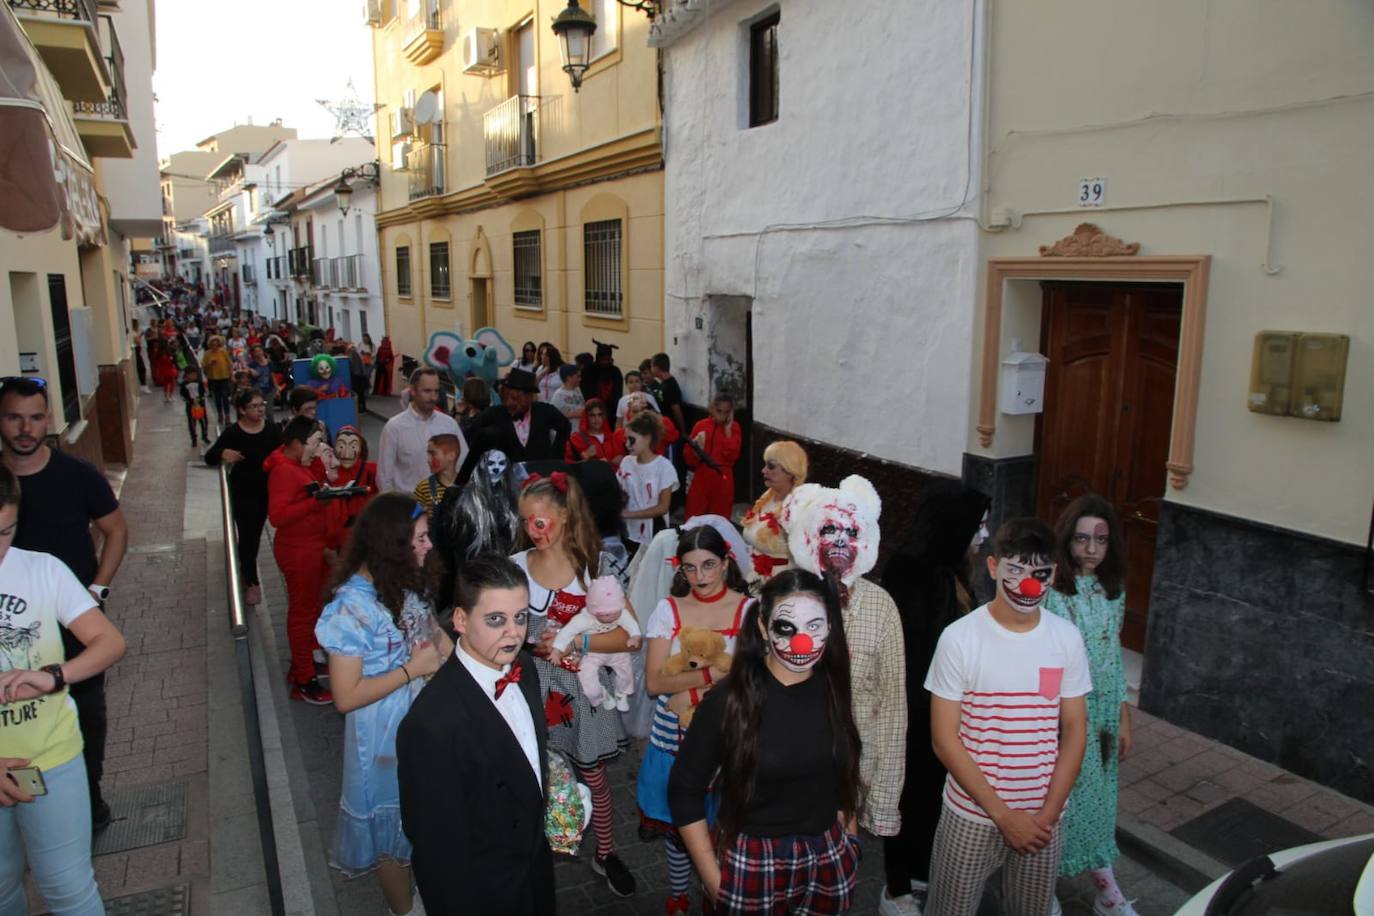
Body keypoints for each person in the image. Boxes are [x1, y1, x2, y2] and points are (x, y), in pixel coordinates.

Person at [669, 569, 865, 914]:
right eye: (785, 627)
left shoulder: (834, 688)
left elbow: (843, 774)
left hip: (827, 858)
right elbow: (684, 791)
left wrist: (849, 844)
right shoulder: (728, 700)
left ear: (831, 626)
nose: (802, 641)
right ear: (762, 627)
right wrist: (715, 880)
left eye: (814, 626)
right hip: (752, 861)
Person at [923, 518, 1091, 916]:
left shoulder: (1066, 638)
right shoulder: (959, 639)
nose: (1029, 584)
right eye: (1016, 569)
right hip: (971, 814)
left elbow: (1075, 730)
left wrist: (1047, 815)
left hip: (1042, 816)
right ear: (994, 567)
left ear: (1054, 573)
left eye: (1040, 572)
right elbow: (944, 740)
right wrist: (1001, 815)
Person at [1, 376, 129, 831]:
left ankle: (86, 803)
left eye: (35, 417)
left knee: (87, 717)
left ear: (49, 419)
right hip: (13, 635)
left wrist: (97, 590)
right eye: (14, 417)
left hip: (75, 629)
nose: (25, 427)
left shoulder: (76, 475)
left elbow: (117, 530)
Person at [0, 464, 127, 916]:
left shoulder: (42, 570)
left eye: (6, 531)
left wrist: (57, 675)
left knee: (68, 888)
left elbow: (109, 641)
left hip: (52, 760)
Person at [316, 493, 450, 916]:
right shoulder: (351, 607)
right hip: (381, 743)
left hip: (424, 725)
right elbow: (346, 696)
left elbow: (434, 637)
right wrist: (414, 669)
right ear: (393, 543)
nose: (429, 546)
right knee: (391, 837)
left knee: (426, 821)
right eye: (421, 538)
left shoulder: (403, 581)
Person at [397, 555, 553, 915]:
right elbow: (438, 856)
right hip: (487, 894)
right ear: (461, 620)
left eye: (520, 617)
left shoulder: (524, 668)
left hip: (534, 872)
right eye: (496, 620)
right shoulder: (429, 726)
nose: (514, 633)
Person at [512, 473, 638, 897]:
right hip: (528, 687)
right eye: (526, 521)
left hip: (581, 689)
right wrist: (532, 642)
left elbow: (629, 636)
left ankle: (605, 851)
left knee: (593, 772)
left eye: (541, 520)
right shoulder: (514, 568)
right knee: (532, 773)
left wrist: (576, 639)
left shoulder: (594, 567)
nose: (533, 530)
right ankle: (533, 849)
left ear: (564, 516)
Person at [877, 480, 990, 916]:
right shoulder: (910, 572)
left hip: (944, 713)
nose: (983, 535)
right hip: (914, 714)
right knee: (909, 802)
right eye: (976, 525)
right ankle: (897, 889)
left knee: (933, 802)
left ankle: (926, 876)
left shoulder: (953, 568)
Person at [782, 476, 906, 840]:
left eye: (850, 531)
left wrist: (882, 798)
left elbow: (893, 709)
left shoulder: (881, 608)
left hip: (851, 775)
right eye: (829, 529)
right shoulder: (782, 599)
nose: (839, 540)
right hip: (787, 769)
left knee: (836, 875)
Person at [637, 523, 752, 915]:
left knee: (726, 824)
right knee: (679, 826)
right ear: (678, 569)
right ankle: (679, 893)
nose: (700, 577)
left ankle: (718, 892)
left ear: (726, 562)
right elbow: (654, 682)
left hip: (729, 736)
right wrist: (710, 676)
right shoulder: (667, 610)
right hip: (675, 736)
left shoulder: (748, 609)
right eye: (690, 568)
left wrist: (693, 682)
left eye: (708, 565)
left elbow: (753, 680)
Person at [1044, 495, 1137, 916]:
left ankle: (1106, 891)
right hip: (1065, 714)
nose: (1092, 549)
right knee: (1060, 802)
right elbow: (1046, 661)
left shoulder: (1112, 591)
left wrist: (1122, 717)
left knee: (1097, 802)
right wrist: (1052, 717)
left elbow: (1114, 656)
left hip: (1101, 715)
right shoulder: (1054, 593)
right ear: (1067, 541)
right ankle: (1040, 888)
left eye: (1100, 539)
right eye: (1082, 539)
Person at [265, 416, 335, 705]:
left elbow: (315, 485)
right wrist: (314, 503)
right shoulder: (284, 471)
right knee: (303, 612)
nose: (319, 448)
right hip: (299, 551)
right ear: (296, 443)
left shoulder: (297, 465)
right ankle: (304, 678)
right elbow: (277, 516)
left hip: (310, 547)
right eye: (315, 443)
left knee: (311, 607)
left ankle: (306, 660)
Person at [205, 389, 282, 607]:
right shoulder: (233, 433)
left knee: (259, 534)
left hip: (270, 491)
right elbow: (211, 455)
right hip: (245, 493)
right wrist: (223, 453)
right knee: (250, 537)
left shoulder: (272, 430)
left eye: (262, 405)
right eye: (254, 406)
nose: (260, 410)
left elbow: (284, 453)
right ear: (241, 410)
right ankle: (251, 579)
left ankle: (247, 570)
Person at [430, 449, 519, 610]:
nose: (496, 468)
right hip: (465, 574)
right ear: (482, 467)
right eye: (491, 464)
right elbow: (445, 543)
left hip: (501, 576)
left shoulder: (513, 501)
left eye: (501, 464)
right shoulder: (458, 498)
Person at [460, 369, 571, 479]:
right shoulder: (494, 414)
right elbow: (471, 434)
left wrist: (555, 457)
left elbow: (565, 426)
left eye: (515, 400)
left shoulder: (545, 411)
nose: (510, 404)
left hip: (540, 478)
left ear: (528, 397)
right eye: (507, 398)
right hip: (507, 480)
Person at [376, 368, 467, 495]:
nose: (433, 397)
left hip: (445, 507)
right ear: (413, 391)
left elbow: (463, 464)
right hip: (408, 508)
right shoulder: (394, 427)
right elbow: (384, 477)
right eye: (427, 391)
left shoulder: (449, 424)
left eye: (436, 391)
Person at [741, 440, 808, 580]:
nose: (763, 470)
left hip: (780, 584)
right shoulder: (768, 497)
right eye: (765, 465)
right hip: (753, 576)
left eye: (771, 466)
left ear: (790, 472)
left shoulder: (798, 508)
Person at [616, 413, 678, 553]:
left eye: (631, 439)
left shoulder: (664, 467)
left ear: (647, 438)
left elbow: (663, 507)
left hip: (652, 531)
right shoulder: (627, 462)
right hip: (629, 530)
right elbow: (618, 491)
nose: (627, 444)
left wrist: (627, 514)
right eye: (626, 439)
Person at [684, 393, 742, 521]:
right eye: (719, 411)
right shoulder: (701, 425)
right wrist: (696, 450)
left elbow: (733, 455)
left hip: (722, 476)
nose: (722, 415)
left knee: (719, 517)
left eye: (726, 412)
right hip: (702, 474)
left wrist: (727, 431)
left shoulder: (734, 428)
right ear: (711, 408)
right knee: (694, 514)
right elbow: (688, 456)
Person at [411, 433, 461, 523]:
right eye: (428, 454)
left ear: (451, 456)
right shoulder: (424, 488)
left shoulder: (468, 485)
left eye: (433, 454)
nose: (428, 459)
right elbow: (414, 521)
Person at [612, 394, 679, 458]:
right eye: (635, 411)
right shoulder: (620, 435)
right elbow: (617, 460)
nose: (639, 414)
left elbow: (674, 436)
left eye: (643, 410)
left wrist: (654, 416)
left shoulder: (658, 428)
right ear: (628, 413)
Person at [565, 398, 621, 464]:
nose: (596, 419)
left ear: (604, 416)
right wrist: (585, 455)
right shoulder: (576, 439)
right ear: (586, 417)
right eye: (592, 415)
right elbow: (567, 464)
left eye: (600, 415)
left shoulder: (613, 438)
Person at [581, 340, 624, 409]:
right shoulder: (589, 370)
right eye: (603, 359)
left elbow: (618, 392)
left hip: (612, 409)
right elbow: (585, 390)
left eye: (608, 359)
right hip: (592, 407)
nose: (606, 362)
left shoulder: (615, 371)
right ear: (598, 358)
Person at [202, 335, 233, 423]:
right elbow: (203, 366)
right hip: (213, 378)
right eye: (212, 345)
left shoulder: (223, 352)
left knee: (225, 396)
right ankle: (220, 414)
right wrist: (210, 364)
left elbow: (230, 363)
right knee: (217, 397)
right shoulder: (207, 353)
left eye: (216, 345)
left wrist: (231, 374)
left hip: (224, 377)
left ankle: (227, 415)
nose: (214, 347)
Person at [180, 366, 210, 447]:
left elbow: (204, 392)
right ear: (187, 375)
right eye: (192, 374)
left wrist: (201, 398)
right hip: (190, 405)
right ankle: (194, 439)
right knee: (192, 422)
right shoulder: (183, 385)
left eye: (195, 374)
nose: (194, 376)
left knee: (203, 421)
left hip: (200, 405)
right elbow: (182, 395)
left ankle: (204, 436)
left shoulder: (200, 383)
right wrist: (188, 400)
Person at [151, 338, 178, 403]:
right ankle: (170, 396)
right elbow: (170, 361)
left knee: (166, 383)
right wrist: (172, 358)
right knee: (172, 383)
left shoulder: (159, 353)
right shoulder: (166, 353)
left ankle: (166, 396)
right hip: (170, 370)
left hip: (163, 370)